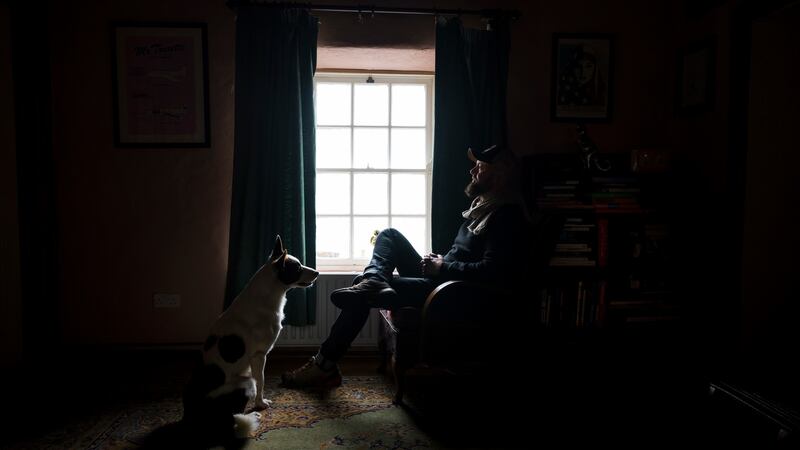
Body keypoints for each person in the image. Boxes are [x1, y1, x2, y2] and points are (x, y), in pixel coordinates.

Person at [280, 144, 529, 388]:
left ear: (499, 174)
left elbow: (493, 273)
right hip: (442, 279)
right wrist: (441, 260)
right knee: (389, 235)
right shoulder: (483, 209)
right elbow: (467, 256)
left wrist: (443, 268)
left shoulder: (506, 216)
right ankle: (374, 281)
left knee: (360, 288)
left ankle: (324, 365)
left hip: (454, 293)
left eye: (480, 166)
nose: (473, 171)